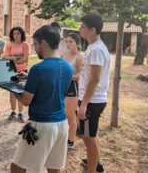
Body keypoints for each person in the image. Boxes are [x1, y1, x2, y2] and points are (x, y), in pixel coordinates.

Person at [11, 25, 73, 173]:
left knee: (17, 167)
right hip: (62, 124)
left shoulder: (38, 69)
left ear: (44, 43)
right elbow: (54, 86)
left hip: (40, 125)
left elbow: (26, 100)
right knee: (54, 167)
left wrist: (13, 89)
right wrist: (30, 78)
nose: (35, 48)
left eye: (36, 44)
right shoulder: (68, 67)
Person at [77, 14, 110, 173]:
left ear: (93, 29)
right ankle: (95, 164)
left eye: (82, 26)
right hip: (90, 99)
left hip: (92, 101)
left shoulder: (97, 49)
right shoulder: (93, 46)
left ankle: (93, 170)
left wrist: (83, 104)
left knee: (88, 138)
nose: (79, 28)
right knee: (90, 135)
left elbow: (95, 79)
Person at [3, 26, 29, 122]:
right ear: (12, 35)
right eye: (14, 33)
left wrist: (13, 59)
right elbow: (5, 57)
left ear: (21, 34)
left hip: (23, 71)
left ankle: (21, 113)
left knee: (21, 91)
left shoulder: (25, 45)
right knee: (12, 92)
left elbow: (26, 59)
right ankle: (13, 111)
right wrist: (17, 58)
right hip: (11, 70)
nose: (16, 35)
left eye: (18, 33)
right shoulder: (9, 45)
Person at [63, 33, 83, 150]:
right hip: (63, 87)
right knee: (64, 115)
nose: (68, 44)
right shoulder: (65, 56)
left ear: (77, 43)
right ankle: (66, 137)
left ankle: (70, 142)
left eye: (71, 42)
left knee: (70, 116)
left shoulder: (80, 58)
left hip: (73, 89)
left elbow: (82, 76)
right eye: (66, 41)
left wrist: (67, 76)